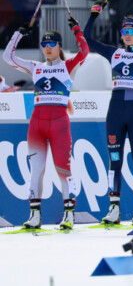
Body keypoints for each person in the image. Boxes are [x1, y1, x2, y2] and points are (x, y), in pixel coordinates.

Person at [3, 17, 88, 229]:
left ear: (59, 47)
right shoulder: (35, 67)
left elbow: (84, 51)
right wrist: (19, 33)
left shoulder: (68, 66)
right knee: (36, 171)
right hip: (37, 124)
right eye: (44, 44)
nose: (47, 48)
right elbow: (8, 57)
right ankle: (34, 216)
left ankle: (69, 215)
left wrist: (76, 29)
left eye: (52, 44)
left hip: (59, 123)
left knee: (63, 169)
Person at [85, 2, 133, 225]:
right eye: (124, 32)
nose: (127, 35)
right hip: (115, 111)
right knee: (115, 161)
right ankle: (114, 208)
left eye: (131, 31)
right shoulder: (113, 53)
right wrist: (93, 15)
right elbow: (87, 40)